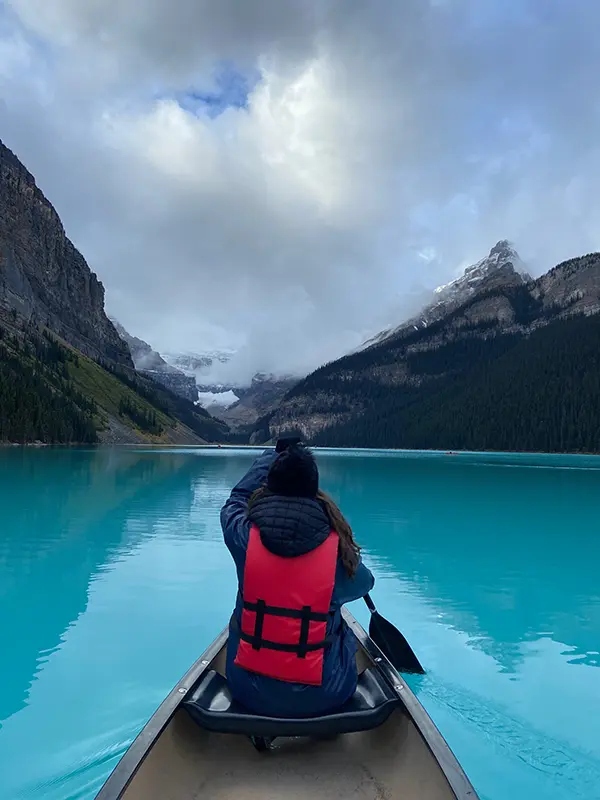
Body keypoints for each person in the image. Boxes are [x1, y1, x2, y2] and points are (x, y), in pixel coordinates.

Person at [220, 438, 375, 718]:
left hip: (248, 689)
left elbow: (237, 499)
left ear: (269, 485)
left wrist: (274, 454)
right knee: (341, 629)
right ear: (313, 490)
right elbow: (365, 583)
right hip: (326, 694)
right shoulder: (336, 551)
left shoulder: (243, 537)